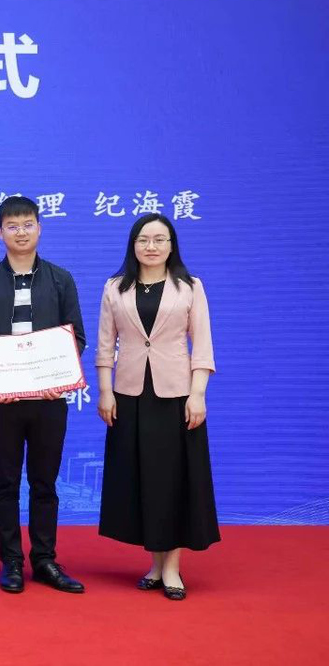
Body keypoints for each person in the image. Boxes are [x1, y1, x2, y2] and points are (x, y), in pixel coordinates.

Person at [96, 213, 218, 601]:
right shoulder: (115, 287)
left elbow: (202, 346)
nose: (151, 246)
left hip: (176, 396)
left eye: (159, 239)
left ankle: (172, 568)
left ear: (171, 245)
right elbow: (105, 346)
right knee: (144, 480)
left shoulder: (190, 287)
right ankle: (154, 563)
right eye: (143, 239)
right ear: (133, 245)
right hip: (129, 396)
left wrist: (197, 394)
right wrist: (105, 392)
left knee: (173, 480)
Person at [0, 196, 86, 594]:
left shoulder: (60, 279)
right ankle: (11, 562)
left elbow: (76, 336)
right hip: (2, 403)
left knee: (44, 483)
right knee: (4, 484)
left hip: (49, 400)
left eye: (28, 224)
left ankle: (45, 560)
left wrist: (59, 375)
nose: (21, 232)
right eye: (12, 226)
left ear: (39, 228)